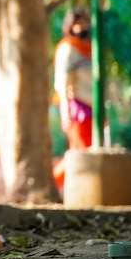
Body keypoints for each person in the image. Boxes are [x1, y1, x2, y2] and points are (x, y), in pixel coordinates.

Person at [52, 10, 93, 188]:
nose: (82, 28)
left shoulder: (90, 49)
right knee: (79, 153)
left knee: (87, 153)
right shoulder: (67, 49)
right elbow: (62, 82)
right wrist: (65, 110)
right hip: (77, 106)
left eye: (85, 23)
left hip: (91, 106)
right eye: (78, 24)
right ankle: (53, 183)